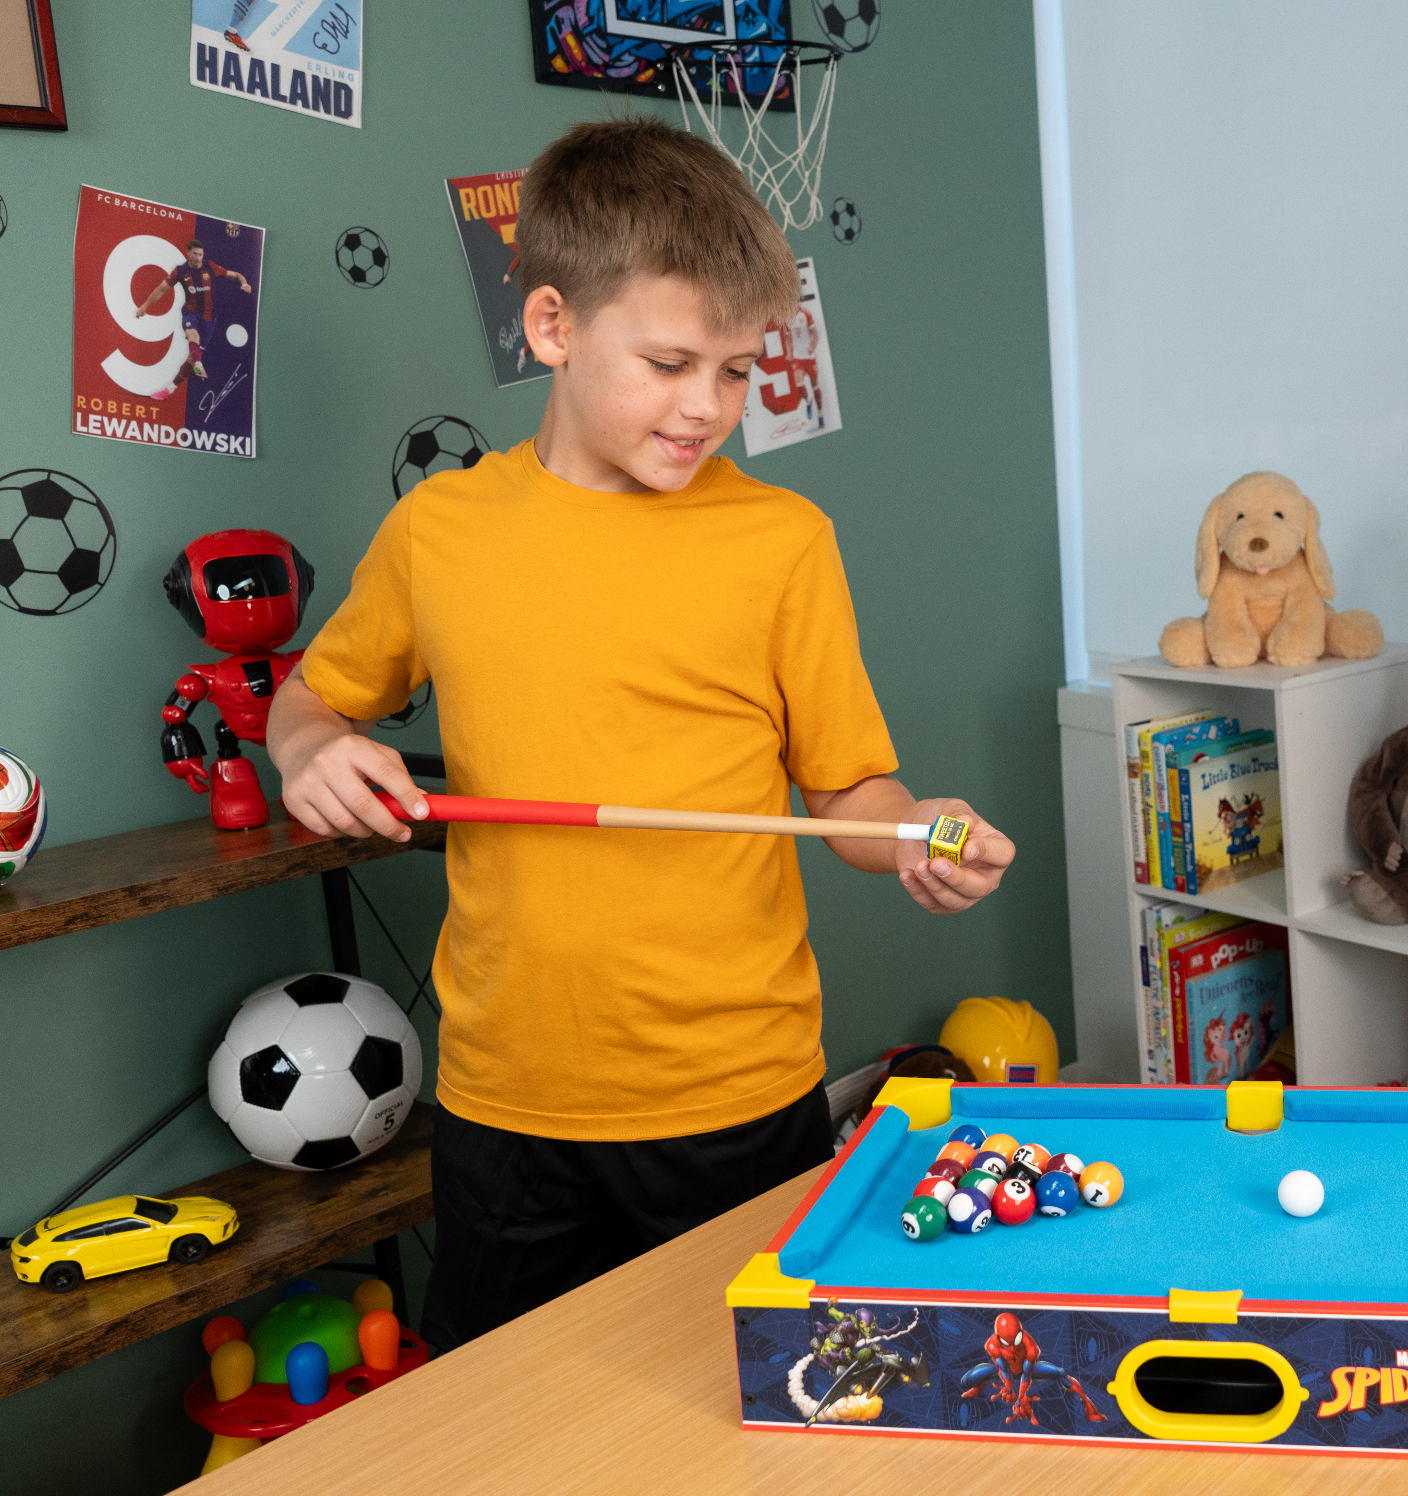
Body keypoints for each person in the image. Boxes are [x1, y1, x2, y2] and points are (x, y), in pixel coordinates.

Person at [266, 118, 1014, 1352]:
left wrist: (919, 838)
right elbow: (313, 699)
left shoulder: (783, 542)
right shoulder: (441, 532)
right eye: (670, 362)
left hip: (732, 1094)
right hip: (505, 1101)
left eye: (737, 369)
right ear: (554, 328)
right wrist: (305, 751)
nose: (708, 406)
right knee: (510, 1425)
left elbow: (849, 794)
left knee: (743, 1409)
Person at [134, 239, 251, 395]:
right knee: (192, 336)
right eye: (195, 254)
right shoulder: (180, 271)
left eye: (200, 254)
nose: (198, 257)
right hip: (191, 313)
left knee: (191, 357)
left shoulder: (210, 267)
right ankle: (199, 363)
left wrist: (244, 283)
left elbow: (236, 275)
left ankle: (170, 389)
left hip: (209, 319)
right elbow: (162, 289)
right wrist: (144, 306)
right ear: (188, 253)